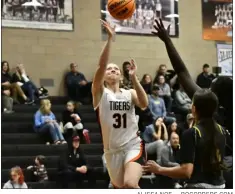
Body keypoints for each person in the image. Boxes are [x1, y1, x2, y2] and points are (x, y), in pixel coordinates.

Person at [151, 18, 232, 136]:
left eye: (211, 89)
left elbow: (181, 71)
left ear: (217, 98)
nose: (207, 90)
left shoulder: (208, 106)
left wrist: (167, 41)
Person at [92, 20, 148, 188]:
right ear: (104, 76)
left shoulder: (129, 93)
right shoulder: (100, 93)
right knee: (121, 187)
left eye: (116, 69)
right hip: (112, 151)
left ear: (121, 77)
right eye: (110, 69)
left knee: (130, 184)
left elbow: (144, 104)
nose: (113, 70)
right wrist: (110, 39)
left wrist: (134, 78)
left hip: (133, 144)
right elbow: (101, 65)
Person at [144, 89, 226, 189]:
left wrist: (159, 169)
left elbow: (186, 171)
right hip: (221, 186)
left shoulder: (191, 133)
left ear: (194, 109)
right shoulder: (222, 130)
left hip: (199, 186)